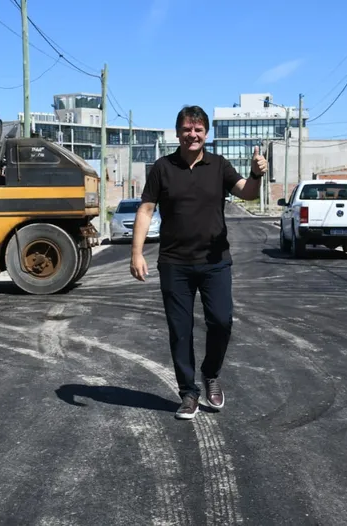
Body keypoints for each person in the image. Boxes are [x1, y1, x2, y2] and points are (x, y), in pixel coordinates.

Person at [130, 105, 267, 420]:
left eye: (198, 130)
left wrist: (257, 174)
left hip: (215, 262)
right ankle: (188, 393)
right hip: (174, 264)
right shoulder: (162, 168)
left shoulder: (218, 165)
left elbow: (246, 193)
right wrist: (136, 252)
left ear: (206, 134)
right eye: (187, 129)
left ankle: (211, 373)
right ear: (177, 132)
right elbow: (146, 209)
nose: (192, 135)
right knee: (180, 331)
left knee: (222, 321)